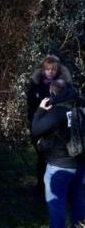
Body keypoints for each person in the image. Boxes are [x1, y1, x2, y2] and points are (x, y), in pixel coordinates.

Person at [30, 79, 85, 228]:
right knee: (78, 198)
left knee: (57, 204)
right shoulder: (80, 104)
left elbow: (35, 129)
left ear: (53, 92)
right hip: (80, 162)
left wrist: (40, 109)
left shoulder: (56, 111)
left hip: (59, 165)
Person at [27, 55, 73, 194]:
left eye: (53, 69)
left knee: (59, 157)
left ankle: (58, 187)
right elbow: (30, 104)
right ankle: (41, 186)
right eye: (48, 69)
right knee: (41, 157)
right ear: (43, 70)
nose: (51, 71)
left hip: (57, 125)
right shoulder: (36, 85)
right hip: (41, 123)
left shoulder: (63, 86)